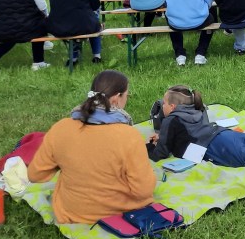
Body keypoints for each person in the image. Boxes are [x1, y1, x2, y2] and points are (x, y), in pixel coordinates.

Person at [27, 70, 156, 224]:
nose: (127, 99)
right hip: (121, 215)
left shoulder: (61, 128)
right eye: (127, 95)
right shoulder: (129, 136)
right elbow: (143, 190)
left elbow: (35, 175)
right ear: (116, 98)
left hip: (71, 211)